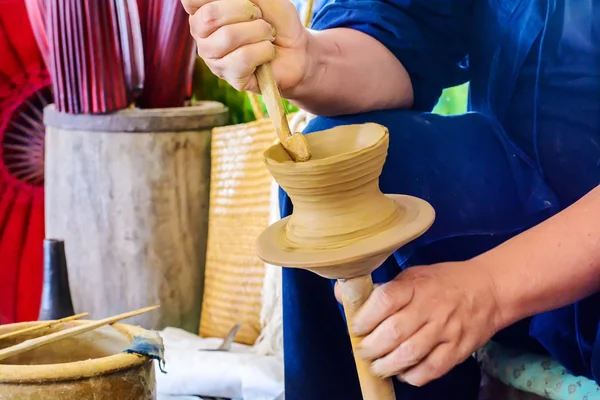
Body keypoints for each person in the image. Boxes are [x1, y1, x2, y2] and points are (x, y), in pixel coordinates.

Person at [182, 0, 600, 398]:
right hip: (527, 187)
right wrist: (310, 61)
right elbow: (405, 28)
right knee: (342, 184)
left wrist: (490, 287)